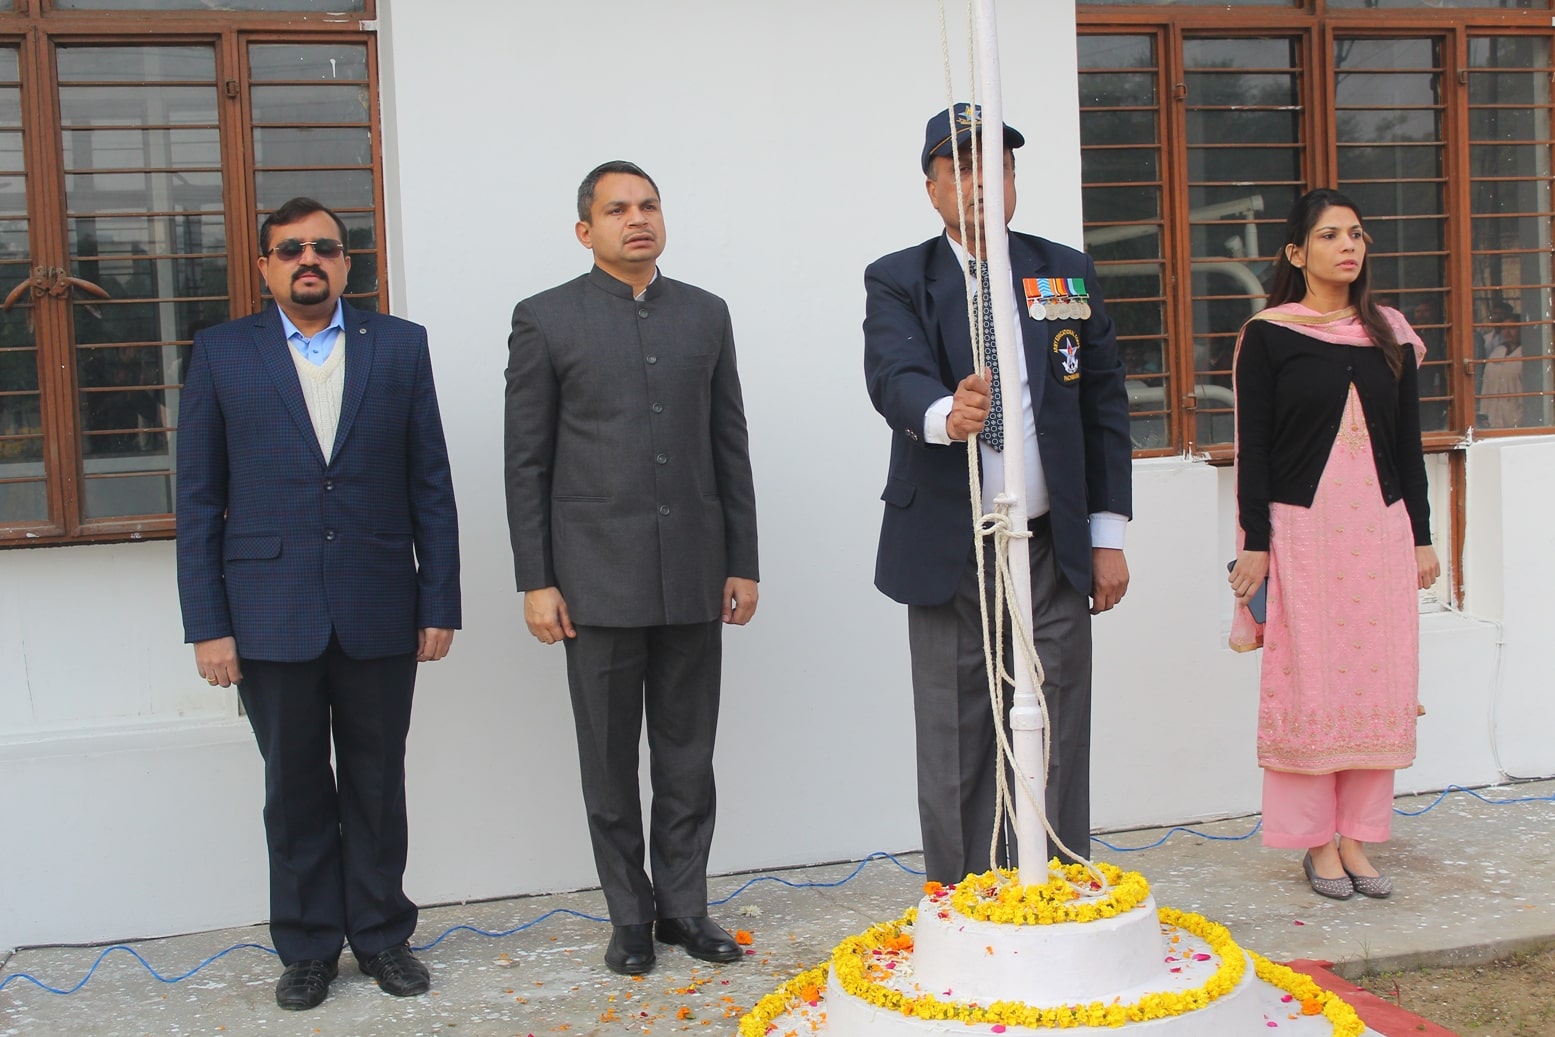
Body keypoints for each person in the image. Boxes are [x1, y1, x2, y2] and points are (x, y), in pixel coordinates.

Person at [176, 197, 461, 1010]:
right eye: (290, 248)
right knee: (293, 786)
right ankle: (306, 946)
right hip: (268, 611)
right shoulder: (223, 353)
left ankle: (380, 936)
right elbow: (197, 500)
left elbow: (429, 483)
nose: (310, 259)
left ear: (347, 263)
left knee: (376, 781)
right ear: (265, 265)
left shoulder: (400, 347)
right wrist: (209, 625)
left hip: (379, 601)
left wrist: (438, 597)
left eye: (325, 248)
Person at [863, 105, 1133, 884]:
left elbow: (1103, 403)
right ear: (933, 187)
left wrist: (1107, 533)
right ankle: (963, 896)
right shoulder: (899, 277)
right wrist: (945, 414)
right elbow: (892, 372)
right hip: (953, 550)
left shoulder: (1064, 272)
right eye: (963, 168)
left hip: (1052, 544)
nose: (984, 182)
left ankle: (1055, 878)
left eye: (999, 167)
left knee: (1058, 719)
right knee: (956, 732)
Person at [505, 160, 759, 976]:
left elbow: (730, 445)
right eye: (616, 209)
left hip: (692, 571)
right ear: (586, 230)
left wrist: (742, 560)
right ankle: (629, 916)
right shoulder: (545, 320)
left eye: (647, 205)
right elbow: (525, 462)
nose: (636, 219)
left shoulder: (705, 314)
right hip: (594, 583)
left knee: (687, 757)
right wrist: (534, 578)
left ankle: (685, 907)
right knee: (609, 765)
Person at [1228, 188, 1440, 901]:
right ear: (1296, 253)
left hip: (1378, 533)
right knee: (1308, 681)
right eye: (1329, 236)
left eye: (1355, 234)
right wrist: (1255, 543)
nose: (1347, 246)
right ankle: (1316, 842)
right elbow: (1251, 447)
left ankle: (1357, 838)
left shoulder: (1388, 333)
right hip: (1303, 534)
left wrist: (1421, 536)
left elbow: (1408, 445)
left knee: (1374, 684)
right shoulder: (1268, 335)